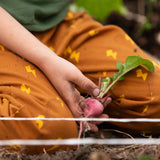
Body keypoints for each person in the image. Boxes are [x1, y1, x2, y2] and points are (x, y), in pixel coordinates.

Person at [0, 0, 160, 154]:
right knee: (49, 130)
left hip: (54, 23)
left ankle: (65, 103)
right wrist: (47, 60)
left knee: (156, 97)